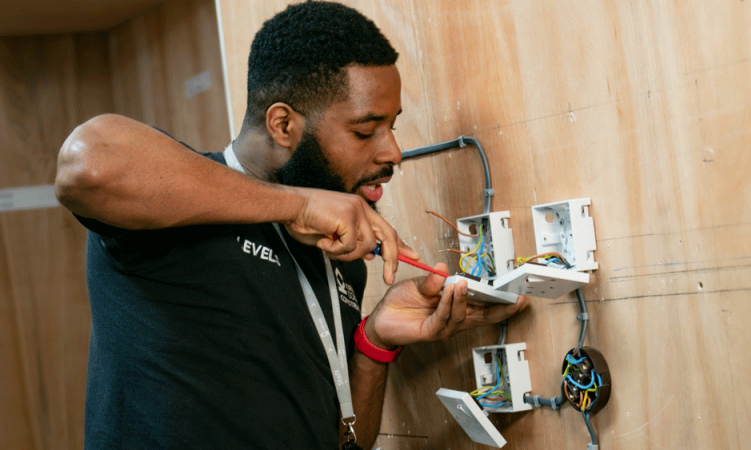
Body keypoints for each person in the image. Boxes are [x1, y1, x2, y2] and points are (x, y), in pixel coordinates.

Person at [55, 2, 525, 449]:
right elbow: (87, 166)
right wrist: (297, 205)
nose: (392, 153)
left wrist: (376, 340)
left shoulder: (338, 256)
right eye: (365, 131)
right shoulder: (173, 202)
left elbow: (349, 439)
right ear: (282, 125)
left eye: (392, 127)